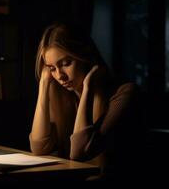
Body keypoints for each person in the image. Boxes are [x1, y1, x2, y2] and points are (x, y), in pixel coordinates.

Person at [29, 22, 144, 182]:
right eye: (52, 68)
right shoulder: (61, 95)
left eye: (66, 63)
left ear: (84, 57)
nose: (59, 75)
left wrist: (88, 88)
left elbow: (79, 152)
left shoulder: (124, 93)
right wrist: (44, 84)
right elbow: (38, 148)